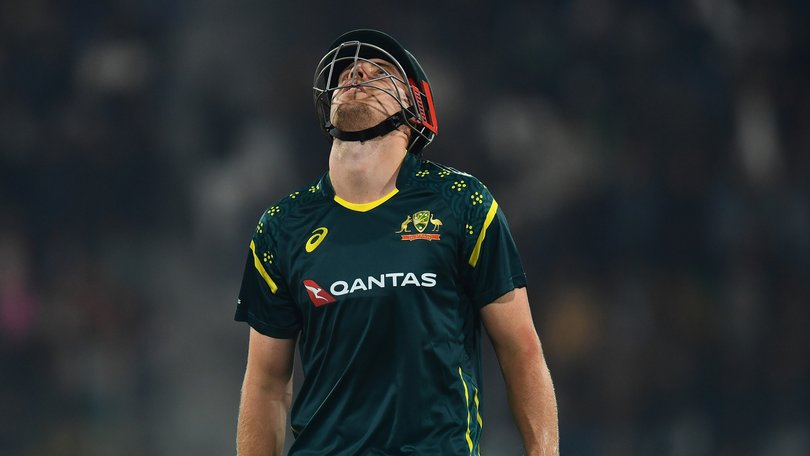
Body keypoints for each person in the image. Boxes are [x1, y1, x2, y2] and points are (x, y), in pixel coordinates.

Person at [234, 29, 559, 455]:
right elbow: (266, 384)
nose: (356, 71)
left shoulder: (462, 203)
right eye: (346, 70)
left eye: (381, 70)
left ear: (415, 107)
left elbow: (521, 348)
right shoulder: (281, 226)